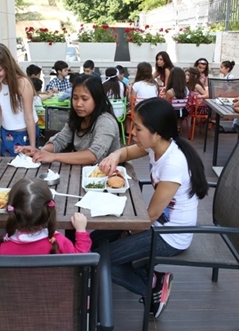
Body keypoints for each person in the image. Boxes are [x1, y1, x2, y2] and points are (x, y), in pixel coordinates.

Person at [92, 97, 209, 319]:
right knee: (95, 239)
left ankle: (151, 286)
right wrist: (115, 155)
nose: (132, 132)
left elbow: (151, 216)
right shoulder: (157, 147)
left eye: (137, 128)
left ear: (157, 133)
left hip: (170, 235)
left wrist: (125, 233)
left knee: (98, 259)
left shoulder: (173, 163)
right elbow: (127, 152)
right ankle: (150, 274)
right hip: (152, 223)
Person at [16, 75, 120, 165]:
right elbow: (60, 140)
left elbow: (93, 155)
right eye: (75, 98)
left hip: (105, 177)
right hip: (81, 172)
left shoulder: (105, 122)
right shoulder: (77, 118)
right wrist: (40, 152)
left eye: (84, 99)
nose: (78, 104)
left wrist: (54, 157)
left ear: (97, 99)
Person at [0, 177, 91, 255]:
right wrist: (81, 231)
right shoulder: (59, 242)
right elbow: (80, 261)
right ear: (49, 210)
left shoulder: (1, 247)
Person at [0, 43, 38, 157]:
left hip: (26, 134)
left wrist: (33, 147)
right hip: (6, 134)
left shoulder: (23, 83)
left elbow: (29, 117)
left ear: (7, 66)